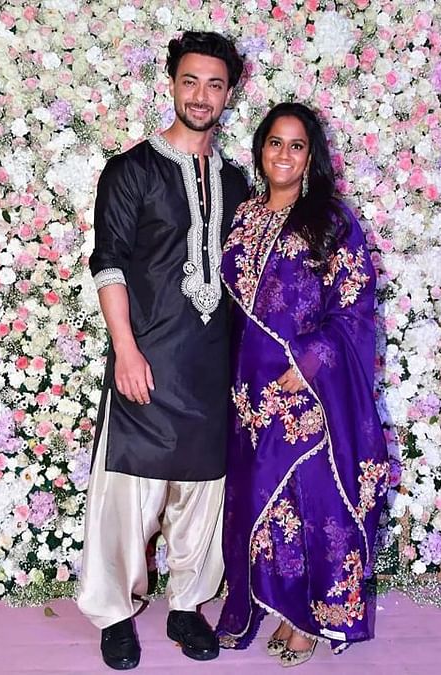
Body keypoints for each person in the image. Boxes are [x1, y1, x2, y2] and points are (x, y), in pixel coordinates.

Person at [77, 31, 250, 671]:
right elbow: (110, 264)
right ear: (171, 84)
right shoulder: (131, 171)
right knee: (129, 493)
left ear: (229, 92)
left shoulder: (236, 181)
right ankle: (115, 615)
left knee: (203, 493)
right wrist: (125, 349)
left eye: (214, 84)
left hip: (209, 364)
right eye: (190, 81)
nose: (201, 95)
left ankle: (187, 605)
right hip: (144, 360)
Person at [214, 102, 390, 667]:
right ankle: (281, 605)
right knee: (268, 500)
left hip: (309, 387)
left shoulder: (331, 221)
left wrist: (312, 358)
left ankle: (317, 618)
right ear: (260, 149)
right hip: (252, 388)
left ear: (311, 156)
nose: (283, 155)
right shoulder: (243, 216)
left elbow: (357, 307)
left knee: (318, 501)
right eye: (274, 143)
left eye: (296, 145)